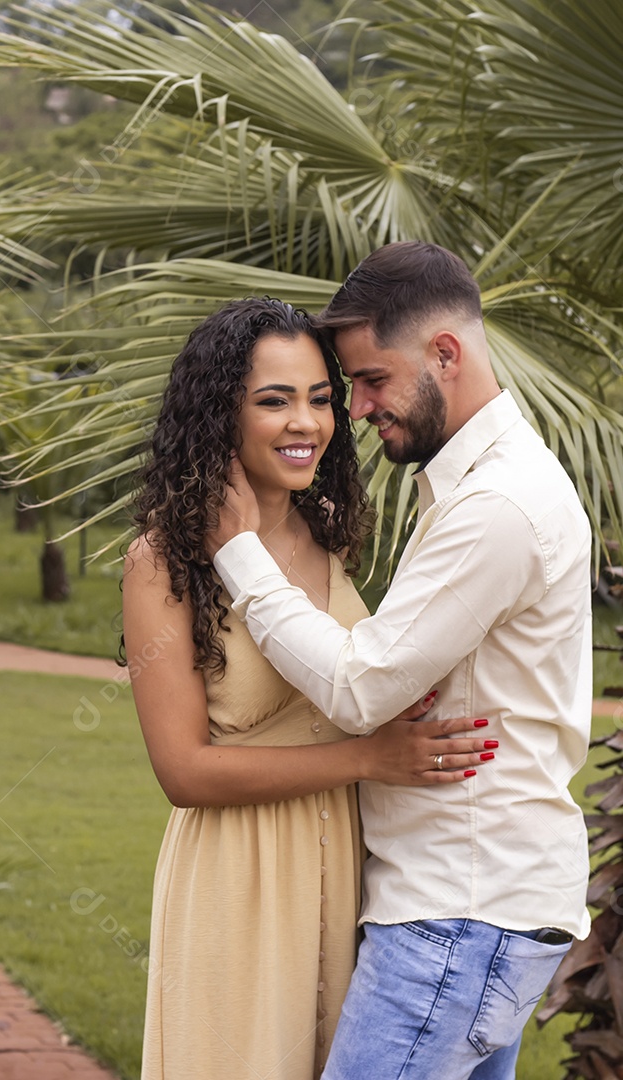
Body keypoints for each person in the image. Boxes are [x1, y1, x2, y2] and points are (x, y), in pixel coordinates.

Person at [208, 245, 592, 1080]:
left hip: (459, 911)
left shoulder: (497, 504)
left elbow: (359, 686)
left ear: (444, 355)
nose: (354, 408)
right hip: (476, 907)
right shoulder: (476, 485)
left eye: (371, 380)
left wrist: (240, 555)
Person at [122, 296, 495, 1080]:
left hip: (349, 872)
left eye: (321, 399)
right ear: (219, 415)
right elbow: (183, 773)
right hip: (238, 880)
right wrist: (369, 758)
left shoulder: (325, 531)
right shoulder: (164, 559)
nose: (308, 423)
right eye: (274, 401)